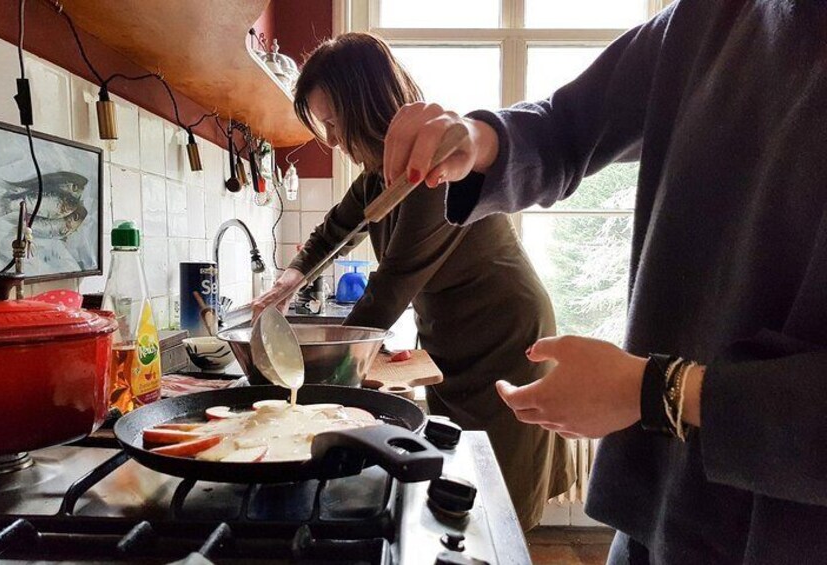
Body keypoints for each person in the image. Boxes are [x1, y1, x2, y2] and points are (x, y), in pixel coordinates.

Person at [381, 0, 827, 563]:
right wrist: (479, 140)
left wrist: (658, 390)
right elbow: (567, 123)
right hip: (659, 502)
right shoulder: (709, 18)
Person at [251, 32, 574, 530]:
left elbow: (391, 287)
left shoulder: (433, 174)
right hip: (450, 335)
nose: (332, 141)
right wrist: (291, 278)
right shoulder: (381, 173)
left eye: (334, 122)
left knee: (496, 491)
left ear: (363, 106)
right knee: (455, 476)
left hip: (503, 334)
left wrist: (321, 374)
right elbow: (335, 230)